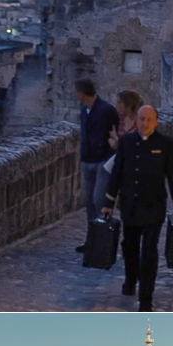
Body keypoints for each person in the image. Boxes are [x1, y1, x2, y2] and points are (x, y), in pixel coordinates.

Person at [101, 105, 173, 312]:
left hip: (153, 207)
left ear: (156, 122)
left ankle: (146, 297)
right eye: (141, 119)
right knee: (129, 247)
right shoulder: (126, 143)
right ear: (137, 120)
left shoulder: (165, 144)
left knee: (149, 252)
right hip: (130, 205)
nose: (145, 123)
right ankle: (131, 280)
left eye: (149, 119)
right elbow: (117, 174)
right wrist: (109, 203)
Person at [74, 78, 120, 250]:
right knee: (89, 203)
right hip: (87, 160)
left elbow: (114, 134)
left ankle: (104, 241)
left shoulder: (106, 110)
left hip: (101, 161)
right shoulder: (84, 110)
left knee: (99, 201)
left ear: (81, 93)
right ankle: (92, 240)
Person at [91, 89, 143, 219]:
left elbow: (136, 147)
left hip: (131, 167)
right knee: (99, 198)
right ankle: (103, 225)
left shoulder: (141, 123)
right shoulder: (118, 119)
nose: (117, 105)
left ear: (128, 104)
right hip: (114, 162)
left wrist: (117, 142)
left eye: (120, 103)